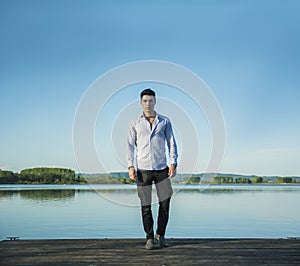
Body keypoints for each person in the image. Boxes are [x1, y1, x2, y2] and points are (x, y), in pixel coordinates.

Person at [126, 88, 178, 250]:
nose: (148, 103)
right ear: (141, 102)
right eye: (145, 101)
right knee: (145, 205)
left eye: (151, 100)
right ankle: (149, 238)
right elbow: (130, 146)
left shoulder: (165, 121)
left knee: (165, 203)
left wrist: (173, 163)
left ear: (155, 101)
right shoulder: (135, 123)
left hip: (162, 169)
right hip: (143, 170)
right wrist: (130, 166)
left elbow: (171, 143)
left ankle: (160, 235)